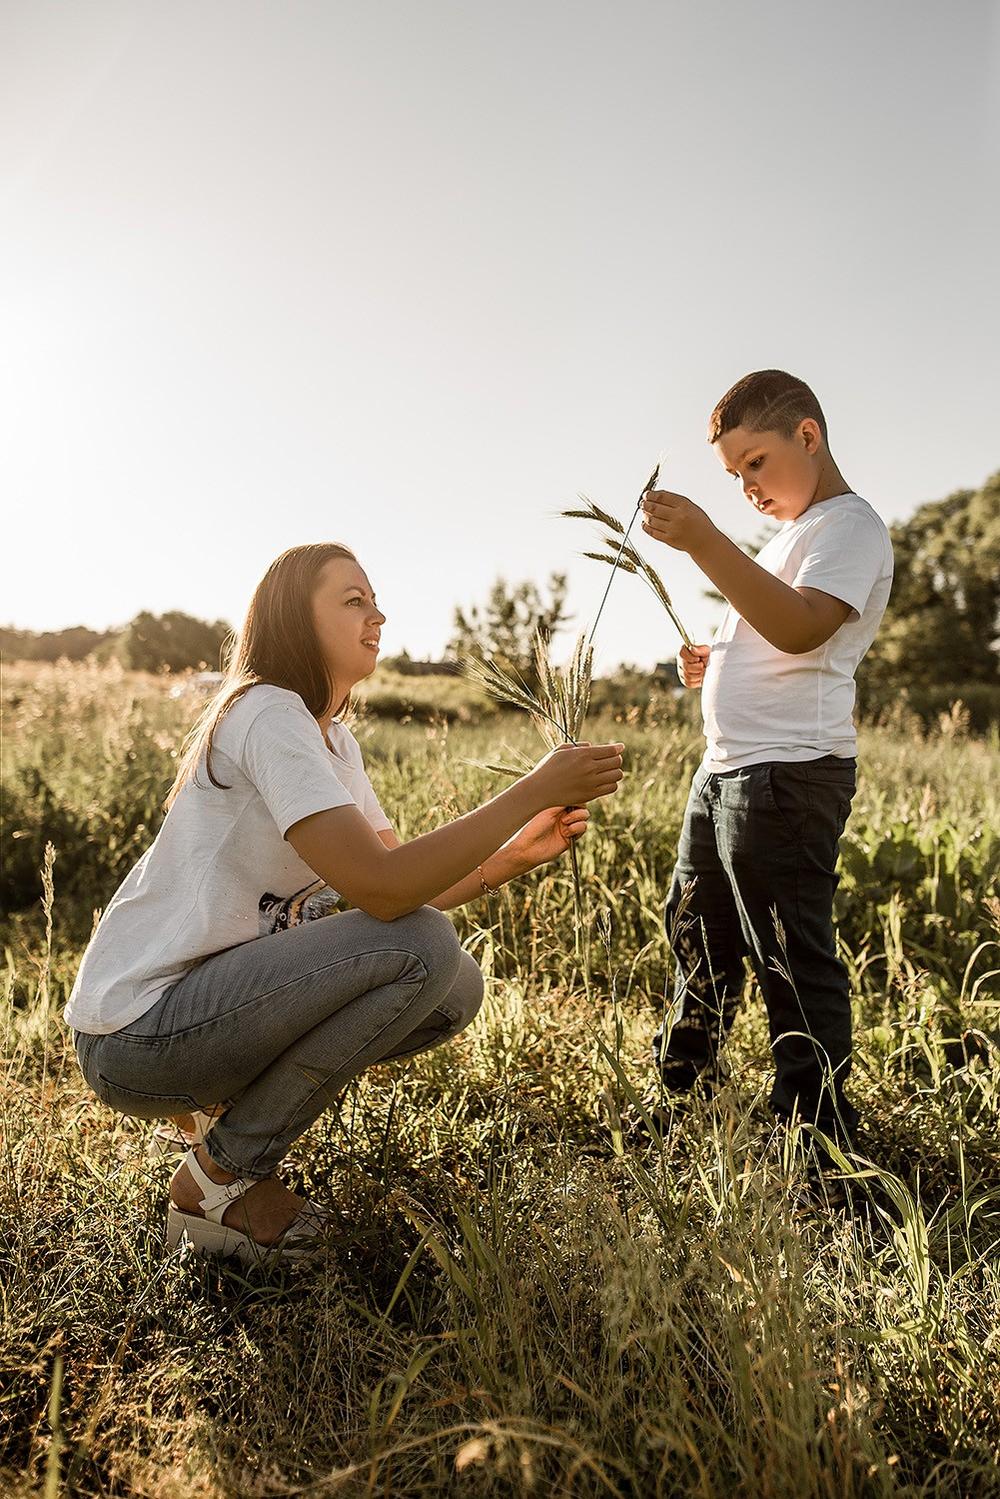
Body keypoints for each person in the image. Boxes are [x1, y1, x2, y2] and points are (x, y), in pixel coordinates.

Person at [67, 543, 624, 1262]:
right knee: (421, 944)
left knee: (454, 982)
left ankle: (222, 1139)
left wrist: (513, 852)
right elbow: (386, 892)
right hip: (135, 1031)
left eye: (375, 600)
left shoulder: (334, 740)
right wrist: (532, 787)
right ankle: (217, 1178)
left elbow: (395, 872)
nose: (378, 614)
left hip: (206, 1009)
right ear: (296, 619)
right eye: (353, 600)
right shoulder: (268, 712)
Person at [639, 370, 893, 1153]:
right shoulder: (785, 537)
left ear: (807, 436)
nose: (746, 486)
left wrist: (706, 541)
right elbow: (765, 630)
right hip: (724, 772)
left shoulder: (849, 526)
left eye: (755, 461)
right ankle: (684, 1098)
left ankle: (814, 1135)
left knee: (786, 950)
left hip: (789, 774)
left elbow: (802, 628)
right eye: (732, 474)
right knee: (698, 936)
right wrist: (715, 661)